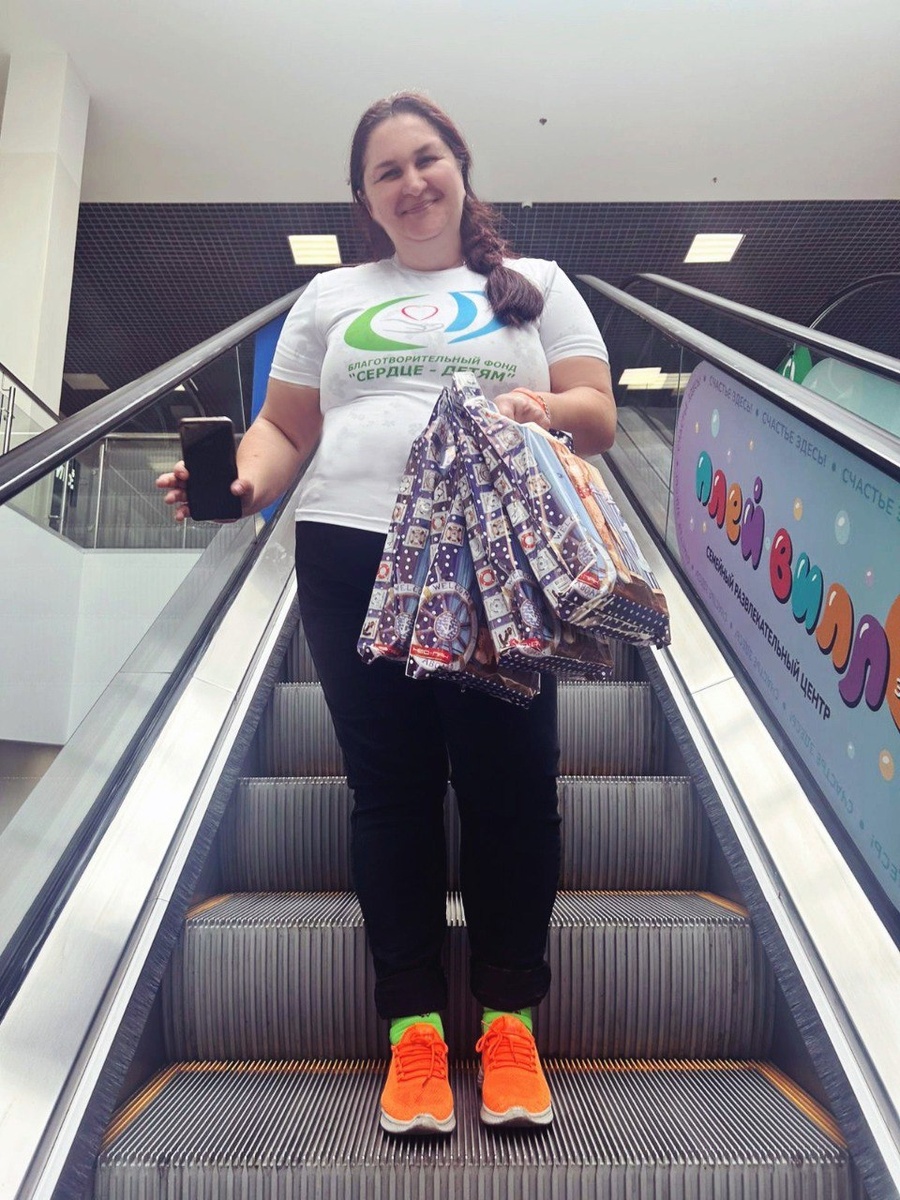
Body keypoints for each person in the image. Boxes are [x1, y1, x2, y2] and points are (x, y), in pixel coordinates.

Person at [158, 91, 616, 1136]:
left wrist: (537, 407)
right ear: (364, 198)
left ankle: (507, 1025)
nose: (412, 183)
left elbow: (595, 411)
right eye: (387, 172)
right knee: (391, 793)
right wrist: (241, 484)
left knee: (512, 789)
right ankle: (413, 1031)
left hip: (492, 556)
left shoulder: (538, 285)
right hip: (349, 549)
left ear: (459, 164)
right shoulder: (330, 296)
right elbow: (285, 427)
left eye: (426, 159)